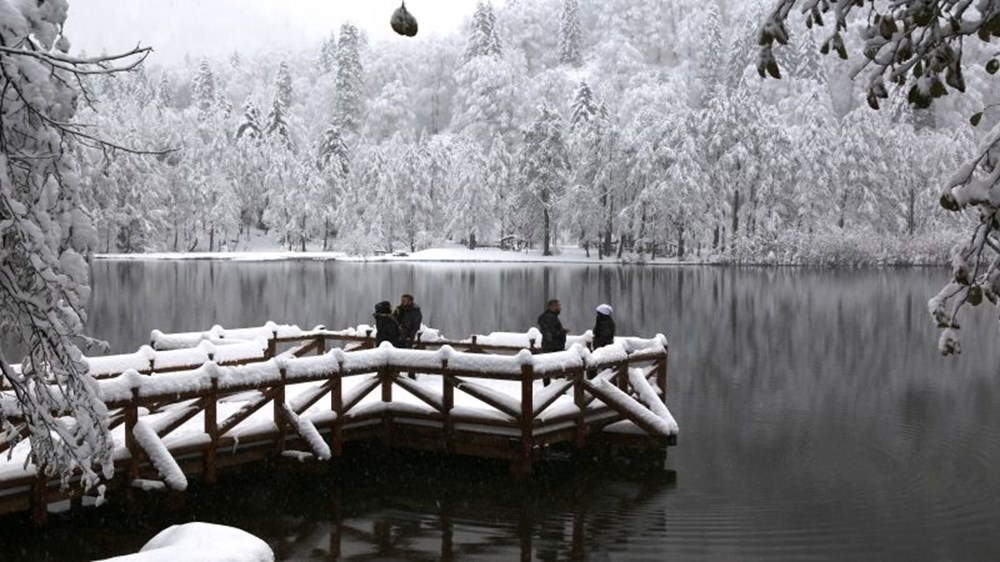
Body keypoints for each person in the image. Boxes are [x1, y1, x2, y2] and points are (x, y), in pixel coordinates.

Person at [537, 298, 569, 386]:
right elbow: (551, 332)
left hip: (550, 345)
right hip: (554, 346)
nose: (560, 308)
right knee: (558, 367)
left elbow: (549, 331)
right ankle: (558, 388)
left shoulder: (548, 317)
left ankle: (550, 386)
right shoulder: (550, 317)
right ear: (552, 306)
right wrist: (562, 332)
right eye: (558, 306)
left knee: (549, 366)